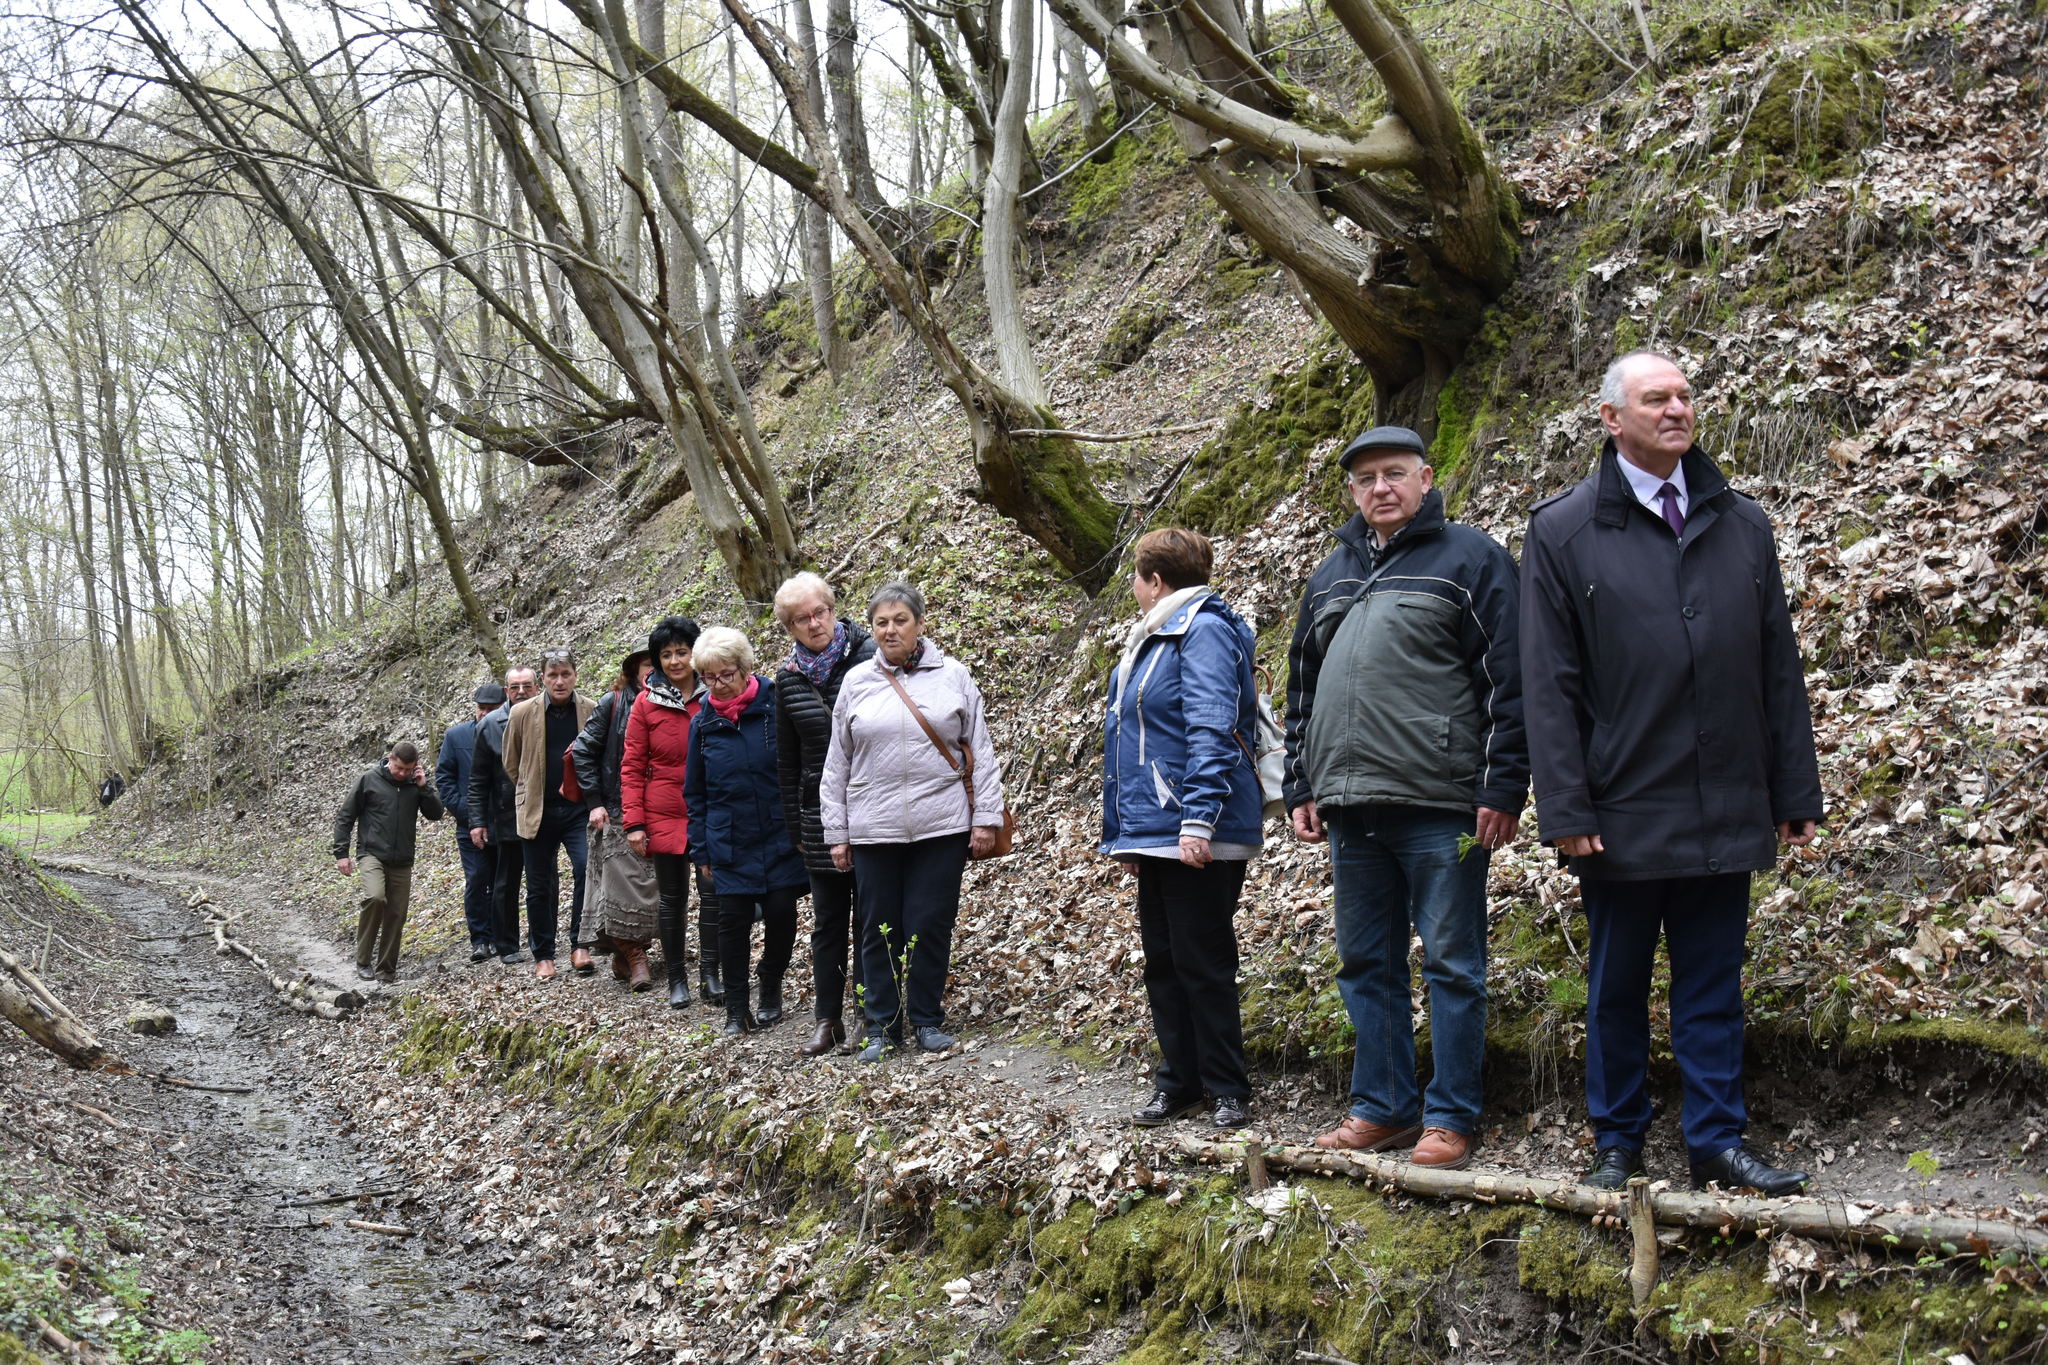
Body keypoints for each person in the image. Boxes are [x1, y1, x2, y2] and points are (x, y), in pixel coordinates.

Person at [1521, 352, 1822, 1196]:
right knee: (1615, 985)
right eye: (1657, 398)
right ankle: (1616, 1140)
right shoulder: (1563, 529)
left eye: (1686, 396)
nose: (1678, 409)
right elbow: (1548, 681)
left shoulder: (1742, 523)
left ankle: (1716, 1141)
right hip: (1620, 807)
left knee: (1713, 984)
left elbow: (1777, 666)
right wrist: (1565, 803)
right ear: (1611, 417)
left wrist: (1793, 790)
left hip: (1727, 798)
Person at [1283, 425, 1527, 1172]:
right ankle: (1384, 1107)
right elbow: (1301, 689)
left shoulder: (1471, 559)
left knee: (1452, 961)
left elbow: (1511, 678)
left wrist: (1504, 782)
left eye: (1394, 473)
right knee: (1365, 963)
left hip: (1443, 803)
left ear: (1425, 478)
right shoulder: (1329, 575)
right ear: (1352, 493)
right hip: (1352, 810)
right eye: (1365, 479)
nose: (1380, 488)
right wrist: (1301, 782)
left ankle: (1450, 1116)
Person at [1101, 529, 1265, 1132]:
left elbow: (1211, 726)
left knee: (1203, 960)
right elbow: (1133, 740)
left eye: (1137, 582)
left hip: (1198, 827)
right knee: (1164, 960)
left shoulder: (1204, 631)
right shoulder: (1153, 637)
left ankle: (1228, 1089)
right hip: (1157, 828)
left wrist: (1197, 819)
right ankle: (1180, 1082)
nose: (1136, 592)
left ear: (1156, 582)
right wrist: (1129, 833)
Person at [822, 582, 1005, 1063]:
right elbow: (836, 764)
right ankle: (881, 1025)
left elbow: (980, 752)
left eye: (900, 620)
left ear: (920, 624)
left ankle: (925, 1019)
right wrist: (836, 833)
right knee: (877, 925)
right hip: (873, 827)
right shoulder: (857, 682)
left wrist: (985, 818)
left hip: (941, 824)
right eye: (881, 622)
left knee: (929, 922)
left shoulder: (954, 676)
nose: (890, 630)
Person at [772, 572, 878, 1056]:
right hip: (818, 816)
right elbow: (787, 760)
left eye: (820, 612)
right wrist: (796, 828)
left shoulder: (871, 657)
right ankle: (827, 1018)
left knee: (872, 917)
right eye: (801, 619)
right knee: (828, 922)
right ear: (789, 627)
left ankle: (867, 1011)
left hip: (872, 805)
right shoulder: (788, 679)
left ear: (833, 609)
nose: (814, 624)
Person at [686, 628, 810, 1038]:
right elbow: (696, 791)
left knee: (781, 914)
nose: (718, 686)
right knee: (732, 923)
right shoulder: (702, 725)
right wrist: (701, 849)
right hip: (729, 839)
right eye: (708, 677)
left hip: (779, 833)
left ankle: (770, 982)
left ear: (745, 668)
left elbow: (799, 767)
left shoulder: (775, 705)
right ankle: (737, 1010)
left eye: (725, 675)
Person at [622, 616, 721, 1007]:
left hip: (709, 808)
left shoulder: (714, 694)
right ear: (657, 660)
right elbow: (631, 765)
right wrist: (634, 823)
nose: (676, 660)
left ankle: (710, 974)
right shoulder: (646, 704)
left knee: (712, 893)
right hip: (662, 808)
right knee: (672, 897)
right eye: (667, 654)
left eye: (682, 651)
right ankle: (677, 977)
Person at [501, 648, 595, 981]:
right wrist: (529, 789)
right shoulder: (521, 713)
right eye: (552, 675)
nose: (559, 681)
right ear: (543, 678)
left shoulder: (591, 710)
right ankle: (543, 954)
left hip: (577, 810)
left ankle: (580, 944)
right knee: (540, 885)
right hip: (536, 811)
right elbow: (511, 762)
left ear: (574, 674)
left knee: (586, 870)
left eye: (565, 674)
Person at [572, 649, 660, 991]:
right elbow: (583, 750)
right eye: (648, 664)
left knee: (653, 889)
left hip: (661, 810)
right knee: (621, 889)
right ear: (634, 669)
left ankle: (626, 955)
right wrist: (595, 802)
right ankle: (636, 956)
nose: (654, 670)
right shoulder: (615, 702)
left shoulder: (673, 700)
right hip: (616, 808)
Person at [333, 740, 445, 983]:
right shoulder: (369, 780)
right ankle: (363, 961)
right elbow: (346, 816)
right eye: (399, 768)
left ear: (416, 767)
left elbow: (436, 814)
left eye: (408, 769)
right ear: (389, 759)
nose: (403, 773)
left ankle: (386, 970)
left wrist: (424, 787)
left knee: (396, 913)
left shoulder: (416, 784)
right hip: (372, 853)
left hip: (402, 859)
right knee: (375, 897)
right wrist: (341, 853)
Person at [468, 666, 539, 963]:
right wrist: (477, 822)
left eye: (527, 686)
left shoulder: (548, 715)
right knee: (505, 883)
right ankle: (507, 945)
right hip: (505, 816)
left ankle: (541, 941)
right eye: (515, 687)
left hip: (541, 813)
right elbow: (478, 780)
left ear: (536, 687)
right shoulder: (490, 725)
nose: (521, 691)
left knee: (542, 881)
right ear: (506, 691)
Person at [438, 682, 504, 963]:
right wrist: (467, 813)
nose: (484, 714)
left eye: (491, 709)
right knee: (477, 880)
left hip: (504, 824)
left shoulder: (509, 731)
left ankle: (502, 937)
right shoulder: (456, 737)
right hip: (469, 826)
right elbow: (445, 779)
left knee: (502, 883)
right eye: (481, 709)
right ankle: (480, 940)